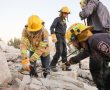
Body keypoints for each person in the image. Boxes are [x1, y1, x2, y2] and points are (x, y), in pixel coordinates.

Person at [65, 23, 110, 90]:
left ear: (77, 37)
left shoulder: (95, 41)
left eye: (73, 41)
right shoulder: (90, 43)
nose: (73, 44)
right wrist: (72, 61)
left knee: (107, 81)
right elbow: (85, 53)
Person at [50, 6, 71, 71]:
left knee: (64, 52)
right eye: (64, 13)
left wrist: (67, 41)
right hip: (58, 36)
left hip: (63, 36)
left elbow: (64, 31)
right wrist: (53, 36)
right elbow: (52, 27)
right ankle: (52, 65)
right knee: (59, 51)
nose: (66, 14)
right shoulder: (57, 19)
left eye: (67, 13)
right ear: (61, 13)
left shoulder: (64, 21)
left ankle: (64, 67)